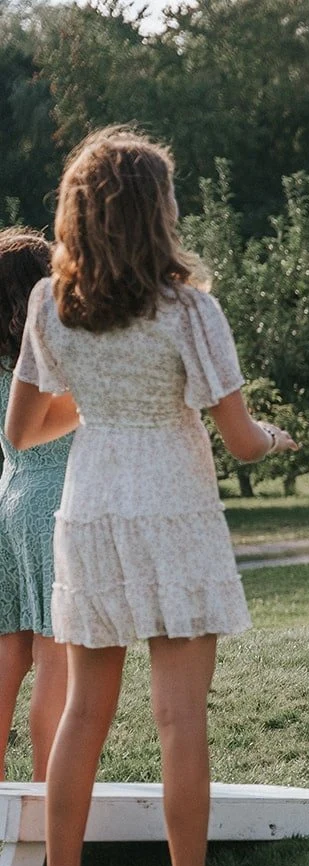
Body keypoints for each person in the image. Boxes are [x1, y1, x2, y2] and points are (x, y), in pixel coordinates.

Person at [9, 127, 297, 866]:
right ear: (154, 213)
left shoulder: (48, 305)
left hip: (90, 506)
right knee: (179, 719)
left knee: (80, 713)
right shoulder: (188, 309)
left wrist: (99, 408)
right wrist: (276, 438)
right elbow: (240, 440)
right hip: (171, 507)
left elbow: (23, 429)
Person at [0, 229, 75, 783]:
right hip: (52, 502)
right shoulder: (51, 351)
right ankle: (54, 799)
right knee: (57, 658)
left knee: (8, 657)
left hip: (8, 499)